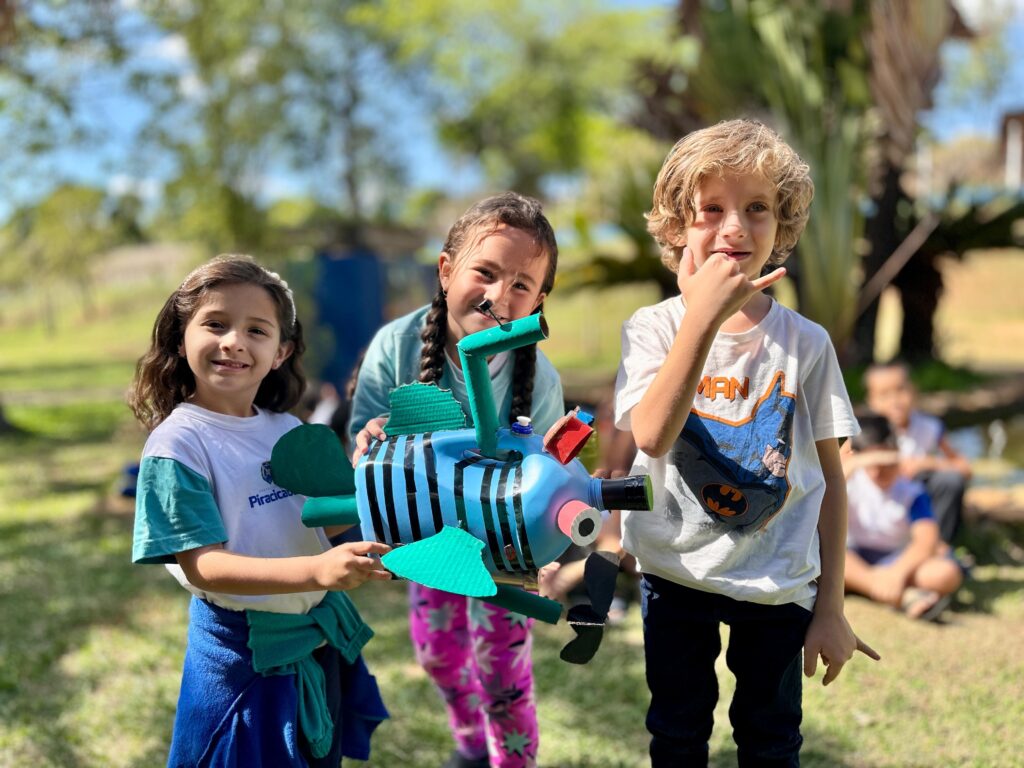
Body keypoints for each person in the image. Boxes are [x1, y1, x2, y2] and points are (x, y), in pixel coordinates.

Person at [614, 119, 879, 767]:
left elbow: (831, 479)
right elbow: (651, 434)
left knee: (771, 741)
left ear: (781, 223)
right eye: (711, 209)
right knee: (677, 736)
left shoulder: (807, 343)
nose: (734, 227)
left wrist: (831, 607)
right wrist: (701, 318)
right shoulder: (653, 329)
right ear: (677, 227)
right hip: (675, 575)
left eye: (757, 207)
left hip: (777, 584)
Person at [128, 255, 392, 768]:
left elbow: (330, 523)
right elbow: (203, 565)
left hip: (316, 643)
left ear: (280, 352)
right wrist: (316, 571)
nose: (234, 341)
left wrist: (378, 472)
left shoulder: (289, 430)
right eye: (215, 324)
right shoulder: (178, 445)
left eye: (256, 330)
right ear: (181, 338)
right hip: (241, 659)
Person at [348, 192, 563, 768]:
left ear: (538, 302)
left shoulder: (540, 379)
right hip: (428, 541)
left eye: (521, 284)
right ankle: (470, 744)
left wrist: (547, 549)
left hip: (507, 548)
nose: (498, 295)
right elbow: (358, 437)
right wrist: (369, 438)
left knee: (502, 677)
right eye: (485, 272)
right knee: (438, 655)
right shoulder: (395, 346)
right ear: (446, 271)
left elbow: (551, 476)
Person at [842, 413, 962, 620]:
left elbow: (926, 541)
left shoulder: (910, 491)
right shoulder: (850, 483)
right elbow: (821, 499)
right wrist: (853, 464)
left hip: (896, 559)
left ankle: (869, 587)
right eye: (873, 464)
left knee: (945, 574)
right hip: (854, 556)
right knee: (829, 561)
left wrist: (897, 573)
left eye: (886, 464)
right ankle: (902, 596)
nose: (879, 472)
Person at [863, 361, 972, 544]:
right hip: (874, 506)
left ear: (913, 390)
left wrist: (928, 463)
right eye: (884, 395)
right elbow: (842, 470)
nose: (895, 401)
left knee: (950, 480)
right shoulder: (864, 431)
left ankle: (937, 544)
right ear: (871, 400)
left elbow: (965, 468)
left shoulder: (930, 427)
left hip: (917, 499)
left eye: (900, 390)